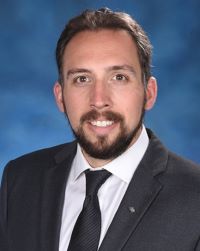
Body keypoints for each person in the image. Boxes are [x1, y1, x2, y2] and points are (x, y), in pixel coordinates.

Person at [0, 7, 200, 251]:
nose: (99, 99)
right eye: (82, 79)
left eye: (118, 77)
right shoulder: (20, 179)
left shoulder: (194, 196)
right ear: (60, 97)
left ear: (149, 93)